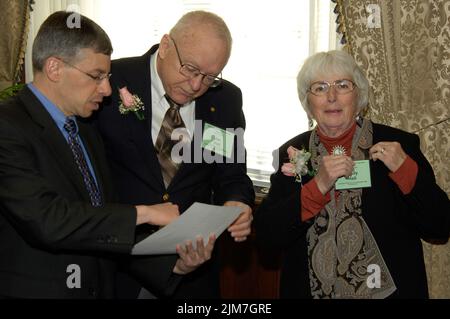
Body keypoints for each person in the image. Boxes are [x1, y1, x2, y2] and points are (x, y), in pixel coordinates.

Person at [0, 11, 215, 299]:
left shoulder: (85, 128)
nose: (107, 89)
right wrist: (146, 212)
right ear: (54, 68)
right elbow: (47, 219)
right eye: (96, 76)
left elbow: (103, 220)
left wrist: (174, 266)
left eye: (108, 76)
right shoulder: (8, 126)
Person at [255, 50, 450, 299]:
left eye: (343, 85)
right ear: (308, 101)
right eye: (320, 88)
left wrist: (405, 170)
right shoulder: (292, 153)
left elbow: (439, 224)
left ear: (359, 96)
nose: (332, 97)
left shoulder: (398, 146)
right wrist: (318, 186)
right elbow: (268, 236)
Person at [95, 10, 255, 299]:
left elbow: (231, 173)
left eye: (209, 77)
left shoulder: (225, 99)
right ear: (166, 45)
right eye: (190, 69)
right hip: (119, 263)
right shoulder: (111, 81)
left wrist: (237, 201)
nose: (196, 86)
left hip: (193, 270)